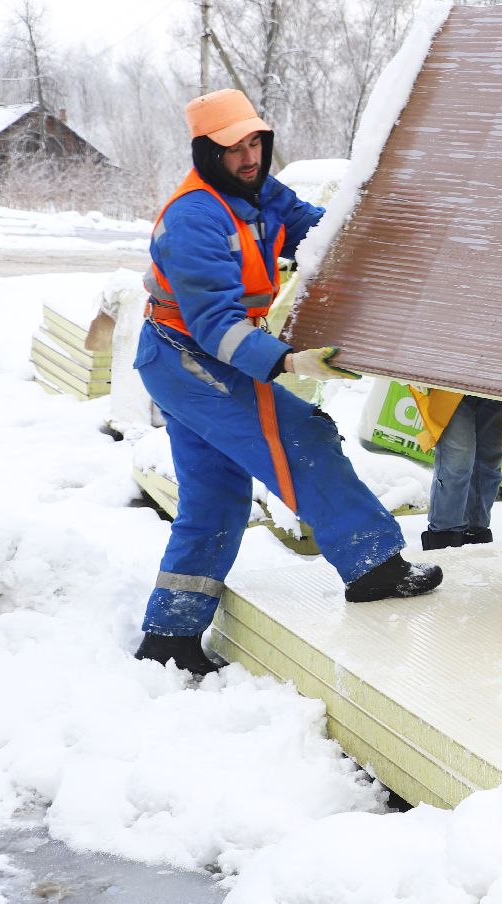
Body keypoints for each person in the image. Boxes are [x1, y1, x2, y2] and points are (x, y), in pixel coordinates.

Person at [133, 89, 443, 677]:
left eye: (256, 142)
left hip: (189, 356)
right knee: (303, 436)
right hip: (191, 356)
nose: (249, 157)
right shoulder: (194, 218)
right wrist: (288, 363)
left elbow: (311, 232)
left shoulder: (258, 192)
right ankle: (373, 565)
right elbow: (215, 324)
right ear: (206, 152)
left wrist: (380, 235)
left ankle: (169, 634)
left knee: (214, 497)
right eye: (234, 148)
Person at [408, 388, 502, 550]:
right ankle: (445, 538)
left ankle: (476, 533)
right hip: (454, 382)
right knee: (457, 462)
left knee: (488, 465)